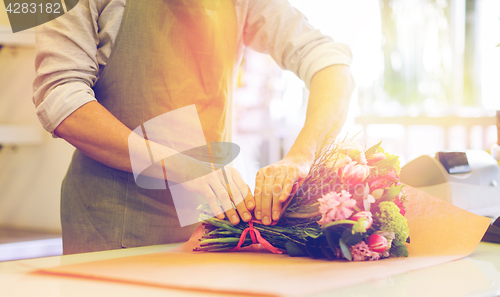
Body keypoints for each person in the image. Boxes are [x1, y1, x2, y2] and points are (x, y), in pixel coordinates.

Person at [33, 0, 355, 254]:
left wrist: (301, 156)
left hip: (212, 227)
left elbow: (330, 63)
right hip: (111, 222)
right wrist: (184, 166)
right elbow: (60, 99)